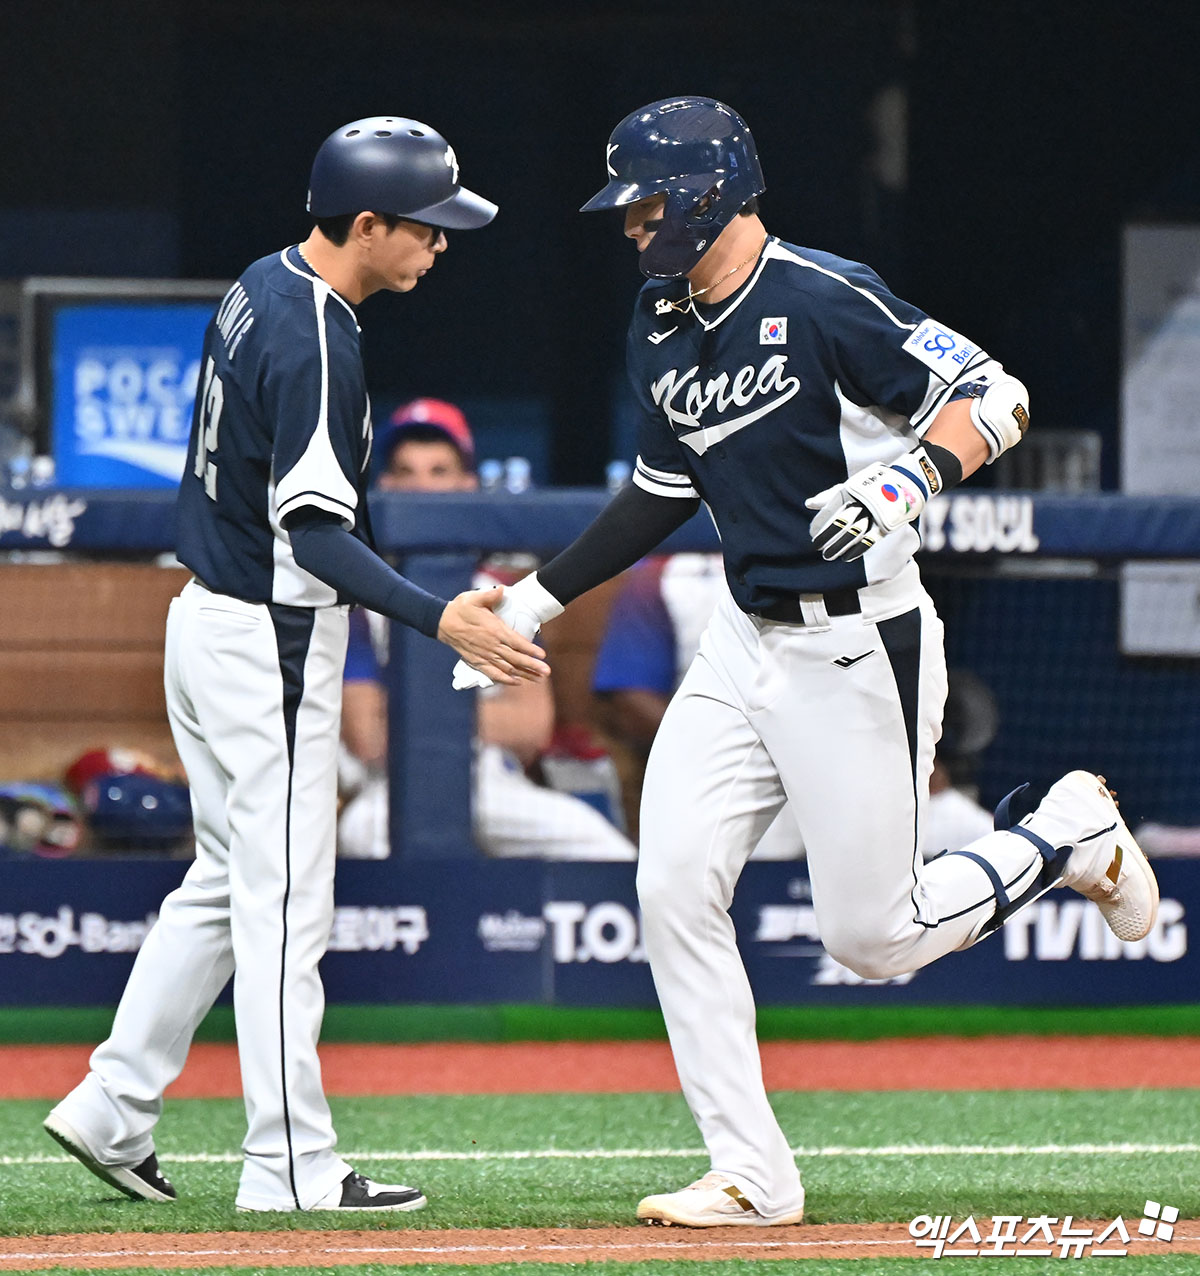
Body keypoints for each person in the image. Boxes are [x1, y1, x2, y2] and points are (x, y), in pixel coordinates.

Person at [452, 96, 1160, 1228]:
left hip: (860, 639)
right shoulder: (659, 316)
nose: (631, 227)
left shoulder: (823, 293)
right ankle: (752, 1172)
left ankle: (1067, 832)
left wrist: (906, 480)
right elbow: (660, 490)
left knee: (871, 939)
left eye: (643, 204)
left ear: (703, 193)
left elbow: (999, 394)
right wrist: (535, 599)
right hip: (744, 643)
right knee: (672, 880)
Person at [43, 116, 549, 1215]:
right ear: (365, 223)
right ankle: (289, 1163)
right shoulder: (318, 334)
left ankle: (113, 1101)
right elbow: (316, 532)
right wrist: (439, 618)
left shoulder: (263, 282)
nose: (440, 245)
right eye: (424, 227)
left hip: (211, 618)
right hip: (268, 637)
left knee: (229, 883)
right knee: (284, 909)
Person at [338, 398, 635, 861]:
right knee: (361, 836)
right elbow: (368, 738)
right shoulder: (358, 600)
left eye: (439, 471)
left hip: (494, 780)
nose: (422, 487)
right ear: (386, 486)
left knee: (605, 851)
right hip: (390, 784)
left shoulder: (504, 597)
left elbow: (531, 728)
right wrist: (482, 720)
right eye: (406, 471)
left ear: (468, 484)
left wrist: (416, 719)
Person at [592, 561, 993, 856]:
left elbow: (877, 673)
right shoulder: (663, 575)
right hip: (738, 769)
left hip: (849, 758)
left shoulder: (839, 551)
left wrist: (909, 755)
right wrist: (743, 746)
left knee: (982, 840)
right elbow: (630, 701)